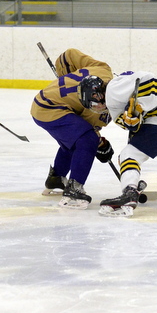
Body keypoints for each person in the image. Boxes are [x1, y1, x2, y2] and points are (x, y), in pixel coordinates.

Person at [76, 71, 157, 217]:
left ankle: (129, 194)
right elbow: (134, 126)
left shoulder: (113, 90)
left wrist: (139, 107)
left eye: (93, 105)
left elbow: (150, 81)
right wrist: (134, 119)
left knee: (128, 155)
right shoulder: (114, 103)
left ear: (96, 95)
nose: (96, 109)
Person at [30, 49, 115, 209]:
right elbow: (90, 135)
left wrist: (65, 76)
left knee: (77, 138)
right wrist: (100, 146)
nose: (101, 106)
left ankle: (56, 178)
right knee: (86, 139)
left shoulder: (102, 69)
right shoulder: (103, 109)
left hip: (42, 101)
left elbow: (69, 55)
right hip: (50, 109)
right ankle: (74, 189)